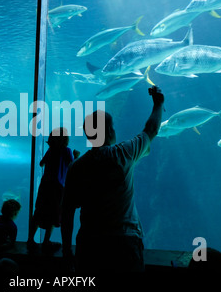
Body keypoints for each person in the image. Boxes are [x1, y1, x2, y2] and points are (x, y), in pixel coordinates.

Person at [61, 86, 165, 273]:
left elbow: (67, 212)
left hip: (90, 243)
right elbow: (151, 129)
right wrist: (158, 104)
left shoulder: (76, 167)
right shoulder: (123, 153)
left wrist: (67, 250)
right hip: (124, 241)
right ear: (109, 131)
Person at [27, 127, 80, 253]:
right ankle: (46, 241)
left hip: (45, 185)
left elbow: (41, 163)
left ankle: (30, 239)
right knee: (53, 213)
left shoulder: (51, 150)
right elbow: (72, 166)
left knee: (39, 211)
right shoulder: (66, 151)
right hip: (58, 187)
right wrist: (76, 156)